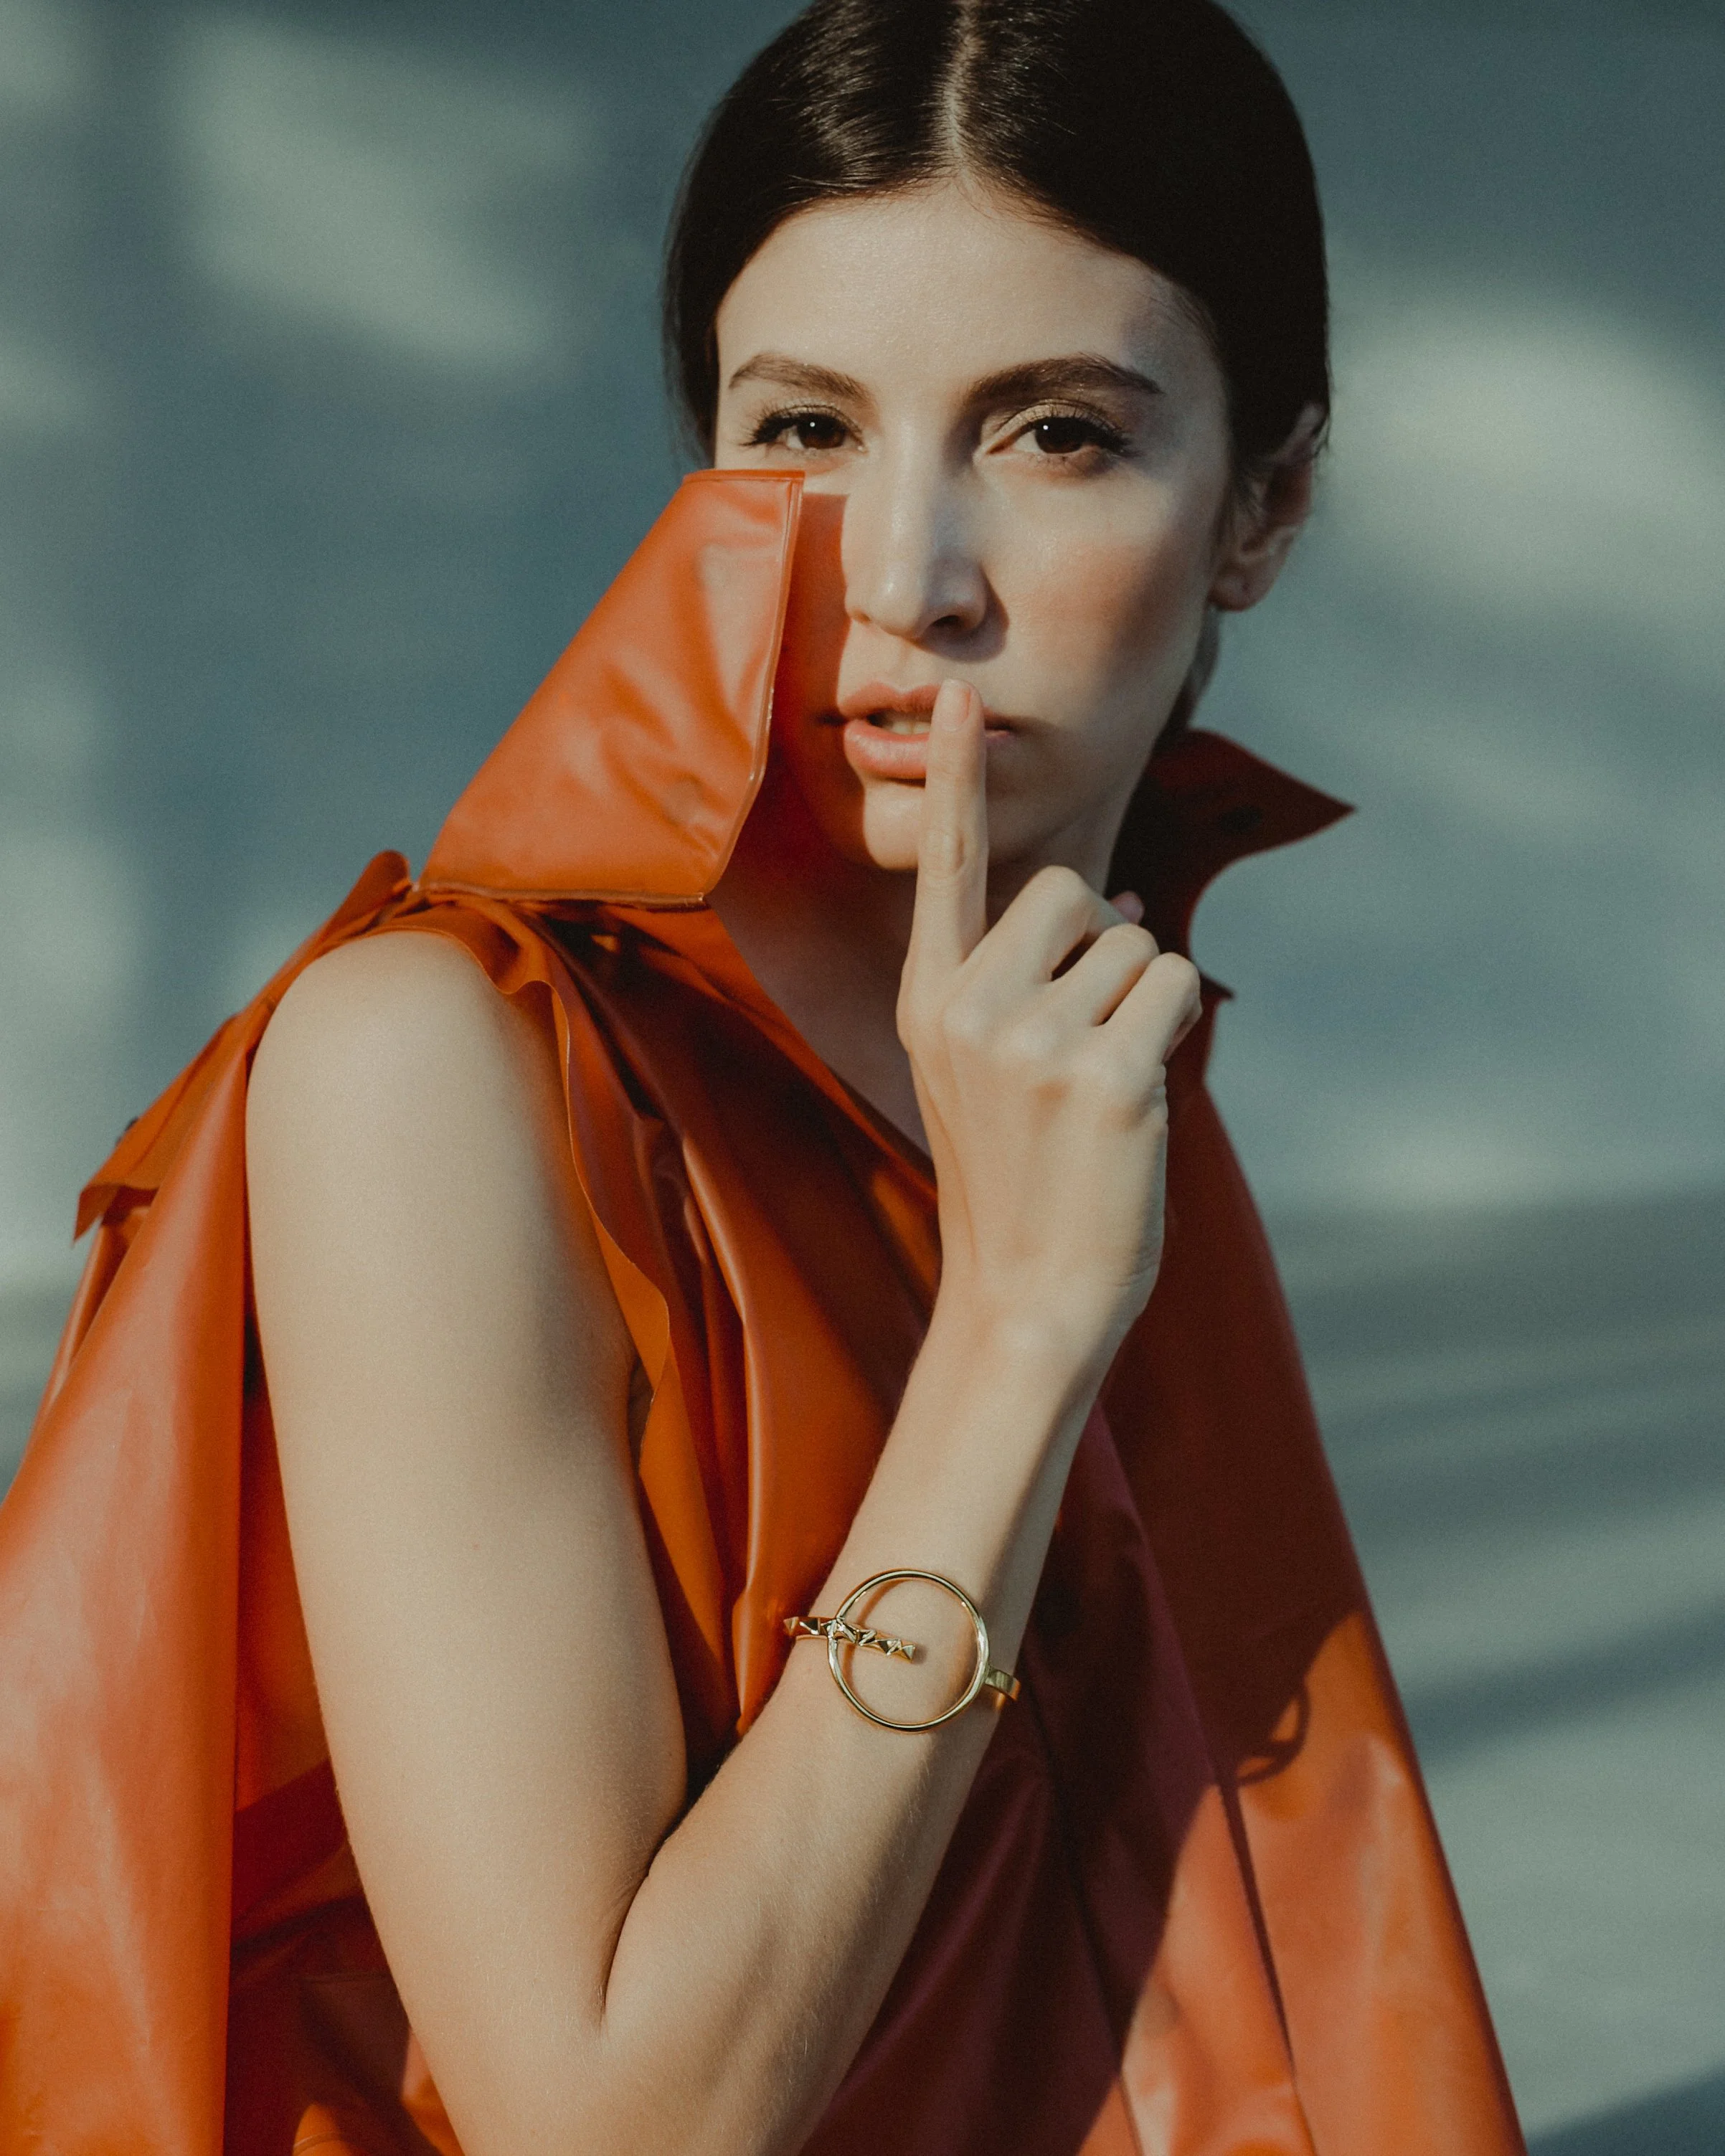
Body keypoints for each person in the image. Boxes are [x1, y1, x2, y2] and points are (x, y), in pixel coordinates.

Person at [0, 2, 1527, 2151]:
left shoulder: (1073, 1038)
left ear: (1263, 502)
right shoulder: (438, 1070)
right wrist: (1007, 1338)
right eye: (800, 432)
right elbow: (611, 2123)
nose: (902, 579)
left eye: (1055, 433)